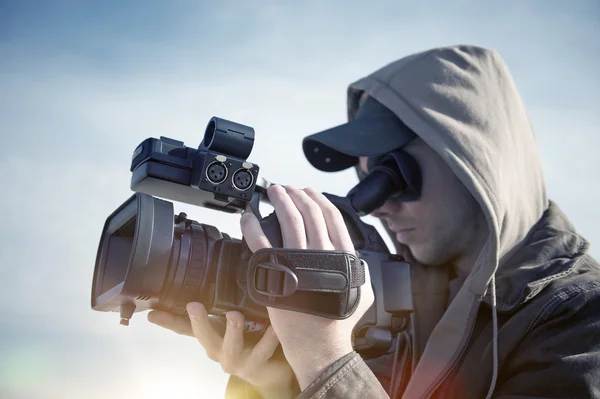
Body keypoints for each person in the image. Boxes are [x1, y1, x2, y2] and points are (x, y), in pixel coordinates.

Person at [147, 44, 600, 398]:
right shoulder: (392, 306)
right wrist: (274, 383)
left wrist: (325, 361)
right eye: (364, 177)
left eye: (391, 176)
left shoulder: (581, 320)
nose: (378, 204)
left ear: (475, 164)